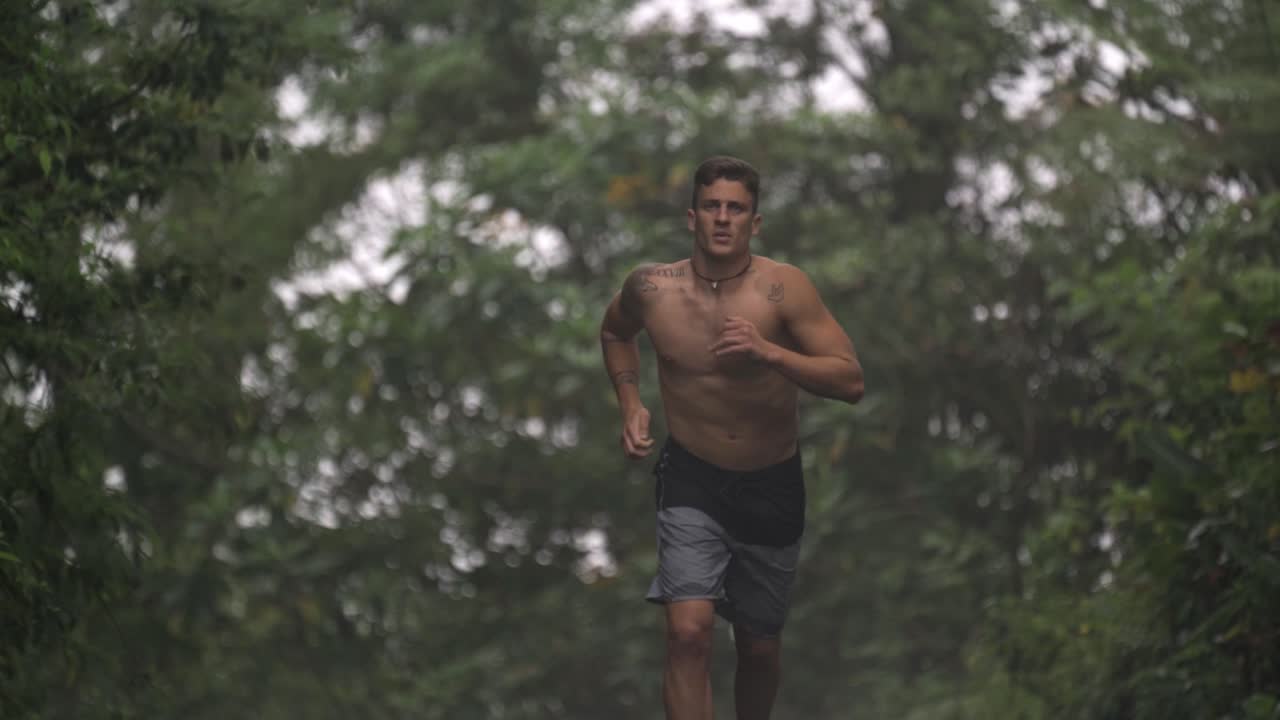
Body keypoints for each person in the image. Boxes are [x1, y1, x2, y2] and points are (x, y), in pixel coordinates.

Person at [599, 155, 865, 720]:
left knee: (759, 649)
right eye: (713, 207)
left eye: (736, 209)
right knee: (687, 632)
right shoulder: (652, 288)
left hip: (771, 482)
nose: (723, 219)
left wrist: (768, 352)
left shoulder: (784, 289)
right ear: (691, 217)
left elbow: (850, 380)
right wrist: (631, 403)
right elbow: (614, 330)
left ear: (755, 222)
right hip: (693, 476)